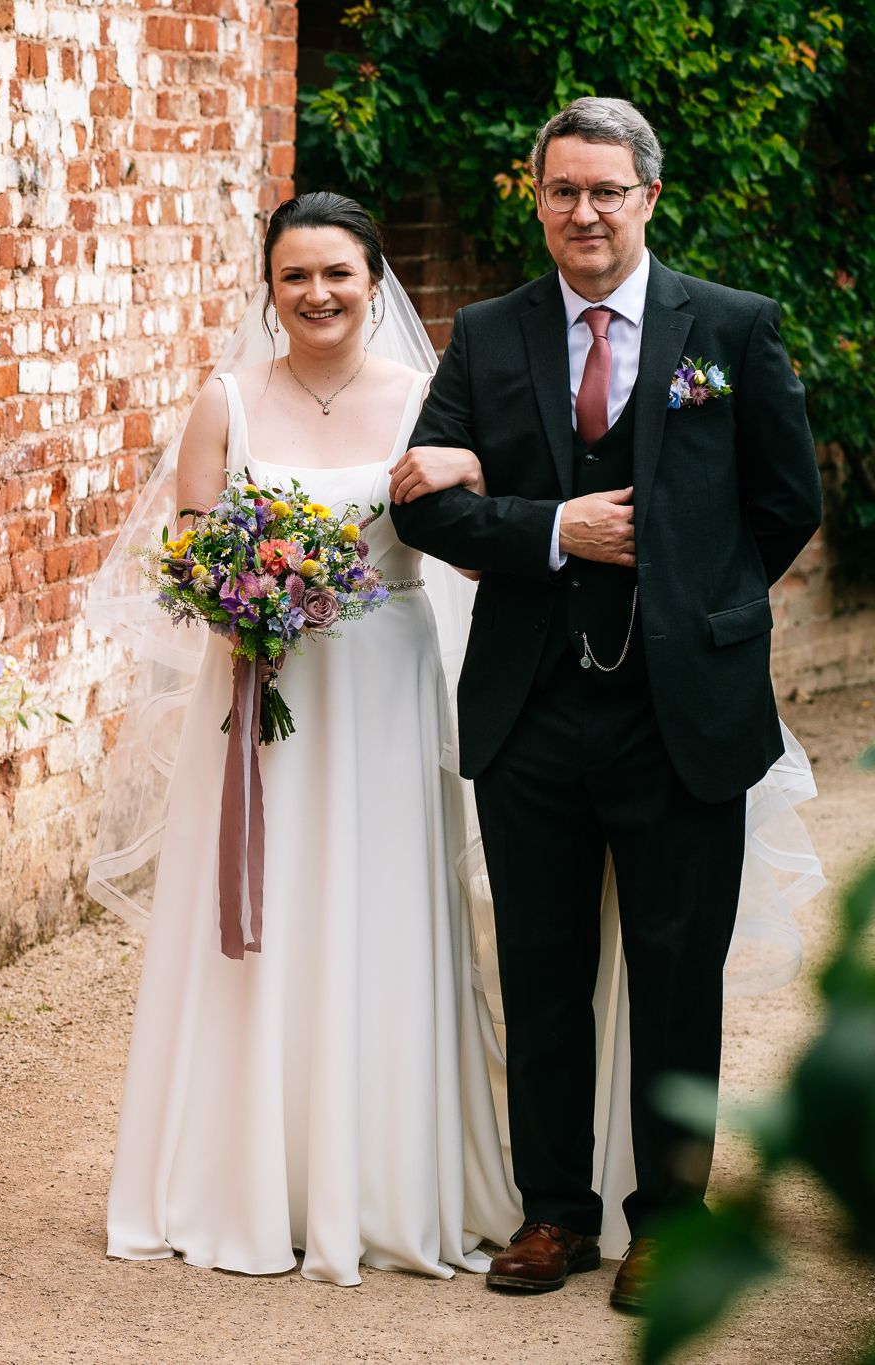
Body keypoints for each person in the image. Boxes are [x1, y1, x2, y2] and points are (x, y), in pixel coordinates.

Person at [390, 96, 823, 1309]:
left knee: (676, 974)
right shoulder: (483, 335)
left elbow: (782, 500)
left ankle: (668, 1221)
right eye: (560, 191)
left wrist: (694, 601)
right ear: (534, 199)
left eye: (604, 191)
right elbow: (419, 503)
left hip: (681, 711)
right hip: (530, 710)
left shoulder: (729, 328)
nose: (582, 212)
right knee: (537, 969)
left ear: (646, 199)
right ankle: (550, 1216)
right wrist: (550, 527)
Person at [86, 191, 523, 1287]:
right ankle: (248, 1177)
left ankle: (381, 1179)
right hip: (259, 698)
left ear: (374, 281)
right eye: (294, 276)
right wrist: (237, 589)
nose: (316, 294)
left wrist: (470, 473)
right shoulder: (225, 402)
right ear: (267, 286)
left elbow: (475, 553)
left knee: (379, 903)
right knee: (266, 915)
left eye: (337, 273)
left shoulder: (428, 399)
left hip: (382, 687)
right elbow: (182, 557)